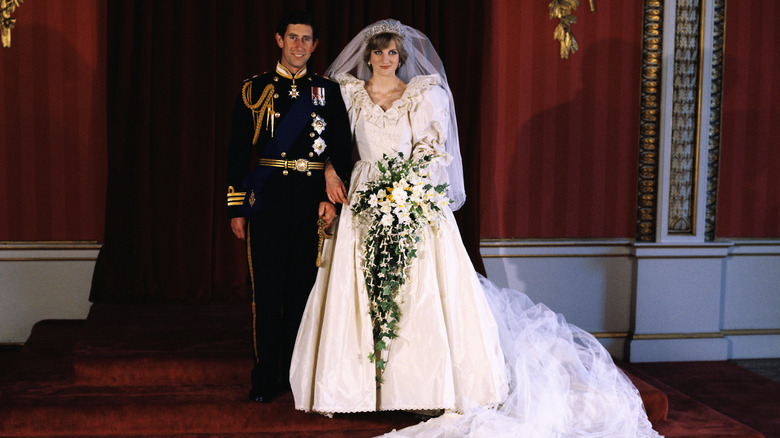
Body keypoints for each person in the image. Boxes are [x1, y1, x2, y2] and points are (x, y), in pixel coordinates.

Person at [290, 19, 661, 437]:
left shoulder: (423, 95)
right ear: (368, 56)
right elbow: (332, 142)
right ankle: (352, 389)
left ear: (401, 58)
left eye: (392, 52)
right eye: (377, 52)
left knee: (421, 289)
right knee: (356, 289)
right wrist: (330, 174)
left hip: (410, 195)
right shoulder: (349, 95)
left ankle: (424, 386)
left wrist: (410, 189)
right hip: (363, 196)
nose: (384, 59)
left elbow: (432, 149)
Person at [226, 10, 351, 403]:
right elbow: (235, 152)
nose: (299, 46)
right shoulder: (255, 89)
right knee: (266, 294)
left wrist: (331, 193)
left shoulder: (326, 92)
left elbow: (343, 147)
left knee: (301, 294)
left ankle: (295, 377)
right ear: (279, 40)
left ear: (315, 46)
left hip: (311, 205)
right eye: (292, 38)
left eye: (306, 39)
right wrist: (236, 206)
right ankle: (265, 379)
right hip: (266, 203)